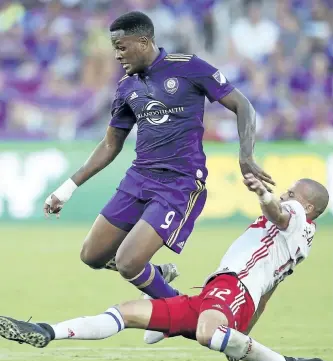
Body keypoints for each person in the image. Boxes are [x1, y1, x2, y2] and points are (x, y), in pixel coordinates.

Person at [43, 11, 274, 300]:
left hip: (179, 182)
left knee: (128, 262)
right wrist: (66, 189)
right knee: (92, 255)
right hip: (139, 177)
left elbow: (243, 104)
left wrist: (246, 156)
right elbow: (110, 144)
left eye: (121, 47)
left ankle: (179, 310)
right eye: (114, 47)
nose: (116, 55)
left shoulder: (189, 67)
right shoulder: (126, 87)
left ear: (143, 42)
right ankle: (154, 275)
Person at [0, 174, 329, 361]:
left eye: (291, 193)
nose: (286, 196)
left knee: (207, 334)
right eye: (285, 192)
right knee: (126, 313)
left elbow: (277, 211)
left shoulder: (296, 218)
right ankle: (46, 331)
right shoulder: (296, 244)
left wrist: (264, 194)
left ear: (309, 208)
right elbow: (267, 292)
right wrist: (241, 333)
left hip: (233, 288)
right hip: (223, 296)